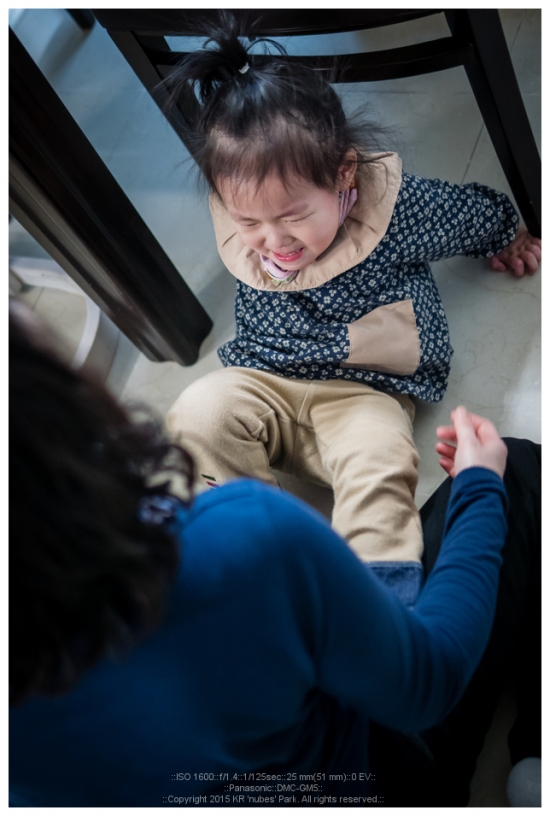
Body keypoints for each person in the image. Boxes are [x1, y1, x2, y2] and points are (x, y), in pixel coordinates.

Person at [9, 301, 540, 806]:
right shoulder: (245, 539)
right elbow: (428, 679)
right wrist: (479, 484)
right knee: (520, 470)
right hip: (384, 783)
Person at [164, 14, 541, 606]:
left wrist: (506, 234)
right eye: (249, 221)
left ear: (343, 174)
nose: (273, 241)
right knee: (196, 410)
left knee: (379, 461)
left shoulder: (390, 211)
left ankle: (382, 598)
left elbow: (461, 213)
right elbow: (258, 223)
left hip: (364, 391)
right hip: (265, 380)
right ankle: (247, 563)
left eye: (293, 216)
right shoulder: (247, 219)